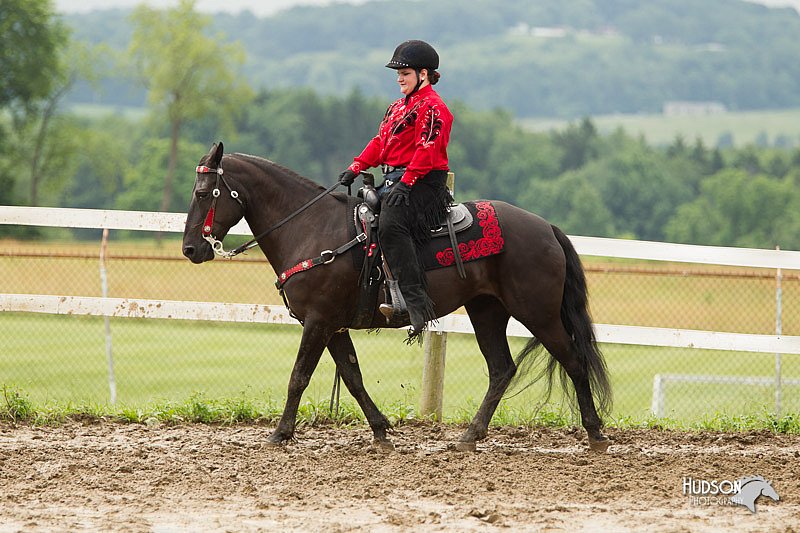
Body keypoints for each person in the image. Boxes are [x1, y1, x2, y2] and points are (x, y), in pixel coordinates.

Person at [339, 39, 453, 339]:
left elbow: (426, 150)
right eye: (398, 73)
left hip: (424, 183)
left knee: (390, 225)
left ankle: (414, 303)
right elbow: (380, 144)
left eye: (405, 73)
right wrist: (356, 167)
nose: (399, 78)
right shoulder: (396, 108)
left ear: (424, 74)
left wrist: (407, 182)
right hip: (397, 181)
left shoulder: (434, 108)